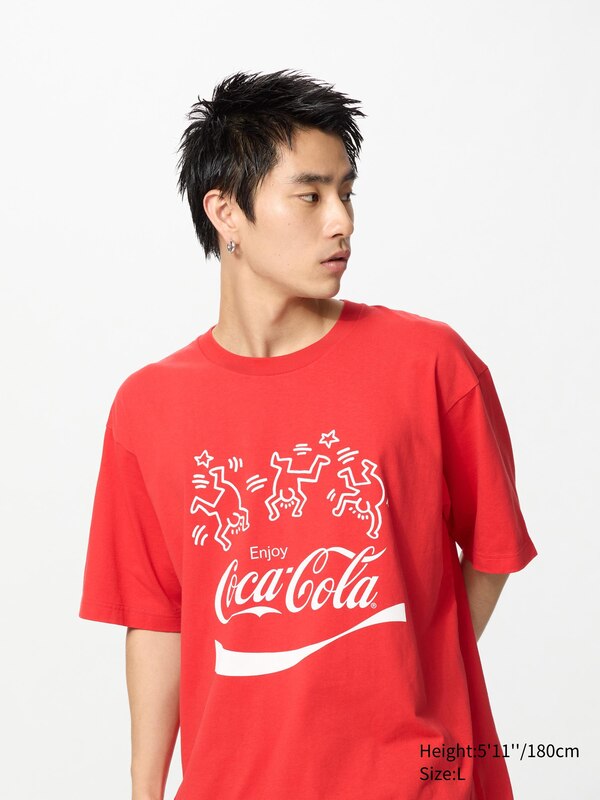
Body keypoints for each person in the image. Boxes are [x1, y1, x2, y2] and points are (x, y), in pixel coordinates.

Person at [78, 68, 538, 800]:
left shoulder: (430, 364)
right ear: (226, 212)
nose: (342, 222)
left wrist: (407, 672)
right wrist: (144, 791)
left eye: (347, 193)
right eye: (311, 195)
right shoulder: (149, 407)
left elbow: (492, 551)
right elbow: (158, 619)